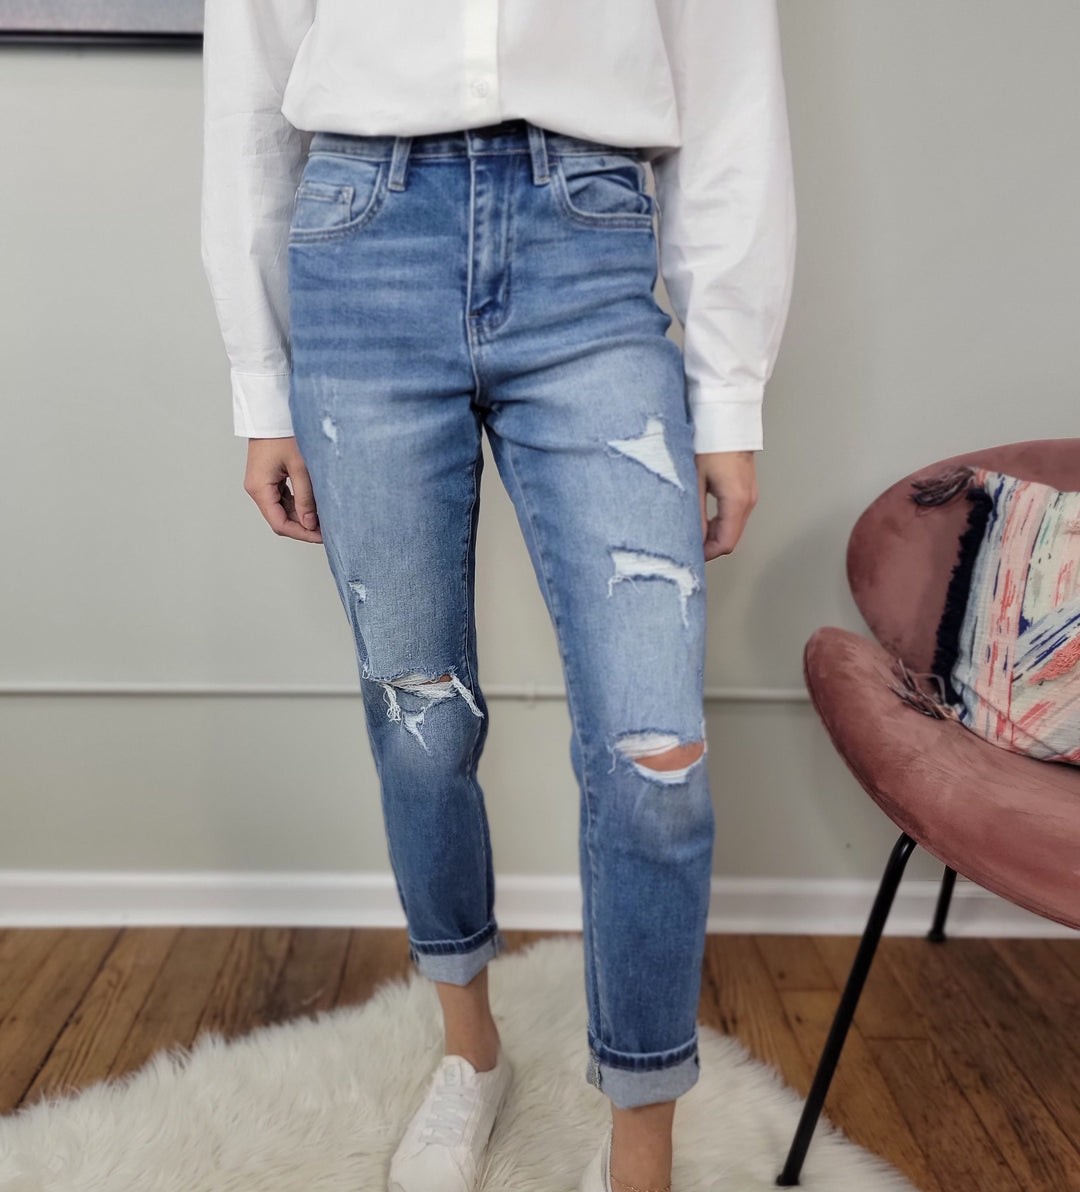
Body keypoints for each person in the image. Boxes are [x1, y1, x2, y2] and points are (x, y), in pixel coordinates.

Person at [200, 3, 796, 1190]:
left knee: (653, 754)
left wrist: (728, 391)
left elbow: (730, 80)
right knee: (423, 723)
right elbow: (249, 85)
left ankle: (640, 1157)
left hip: (589, 242)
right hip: (360, 252)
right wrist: (258, 379)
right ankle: (471, 1056)